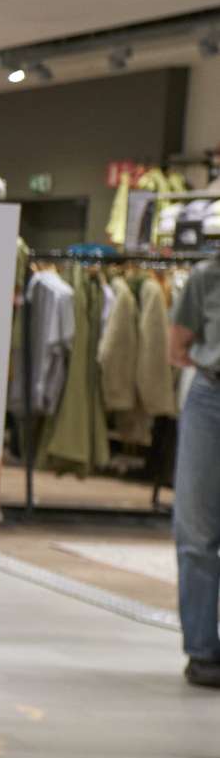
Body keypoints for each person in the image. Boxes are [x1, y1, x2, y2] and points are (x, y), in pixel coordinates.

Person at [170, 258, 220, 689]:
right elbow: (177, 346)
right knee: (197, 529)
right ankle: (203, 652)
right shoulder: (208, 276)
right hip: (212, 398)